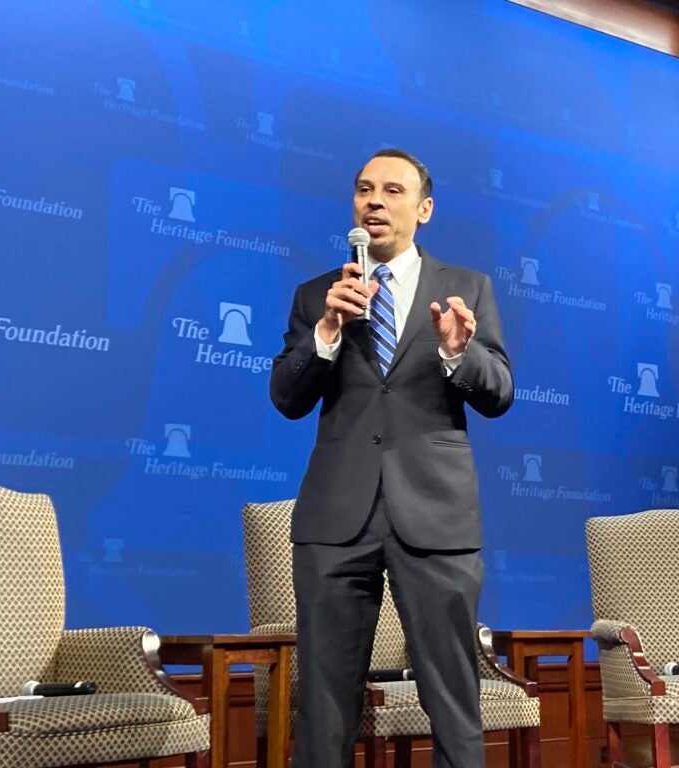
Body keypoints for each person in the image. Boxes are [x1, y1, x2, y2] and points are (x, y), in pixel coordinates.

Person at [270, 148, 513, 768]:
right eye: (363, 190)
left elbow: (500, 394)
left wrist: (459, 354)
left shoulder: (466, 290)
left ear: (423, 209)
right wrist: (326, 333)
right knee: (324, 700)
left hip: (435, 514)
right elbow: (287, 398)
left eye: (392, 191)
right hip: (336, 516)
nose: (373, 201)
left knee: (453, 695)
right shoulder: (317, 295)